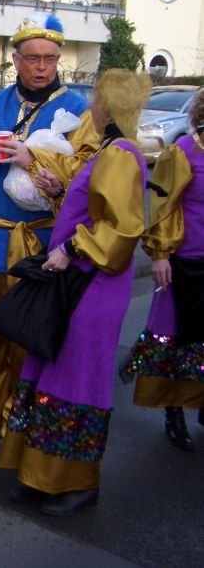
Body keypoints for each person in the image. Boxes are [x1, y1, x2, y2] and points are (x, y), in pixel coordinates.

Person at [0, 69, 150, 516]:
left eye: (98, 101)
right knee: (51, 370)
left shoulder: (121, 154)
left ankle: (78, 482)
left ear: (110, 108)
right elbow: (95, 209)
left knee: (78, 376)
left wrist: (70, 247)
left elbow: (122, 228)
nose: (92, 109)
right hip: (78, 280)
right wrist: (61, 191)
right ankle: (39, 474)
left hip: (93, 285)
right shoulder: (108, 150)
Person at [0, 12, 99, 443]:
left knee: (25, 334)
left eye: (50, 59)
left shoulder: (78, 110)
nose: (42, 67)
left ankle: (16, 418)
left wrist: (34, 159)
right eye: (33, 58)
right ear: (15, 60)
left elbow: (88, 169)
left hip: (39, 241)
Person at [122, 87, 204, 451]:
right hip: (184, 261)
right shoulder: (183, 151)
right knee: (174, 337)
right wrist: (159, 254)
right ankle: (174, 409)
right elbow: (163, 205)